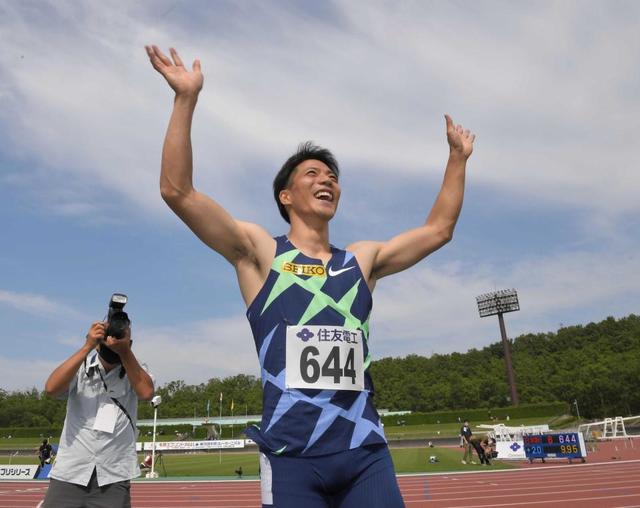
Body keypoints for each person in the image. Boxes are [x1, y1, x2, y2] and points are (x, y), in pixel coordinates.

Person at [146, 45, 475, 508]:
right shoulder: (260, 253)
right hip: (290, 457)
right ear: (285, 195)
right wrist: (185, 100)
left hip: (363, 451)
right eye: (313, 172)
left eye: (333, 175)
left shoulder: (360, 260)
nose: (328, 180)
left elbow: (439, 229)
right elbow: (176, 192)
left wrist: (457, 159)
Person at [40, 319, 154, 508]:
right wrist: (87, 346)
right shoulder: (81, 369)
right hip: (71, 472)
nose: (113, 342)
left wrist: (125, 352)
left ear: (130, 344)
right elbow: (51, 389)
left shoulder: (136, 371)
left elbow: (146, 393)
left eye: (120, 338)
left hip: (113, 475)